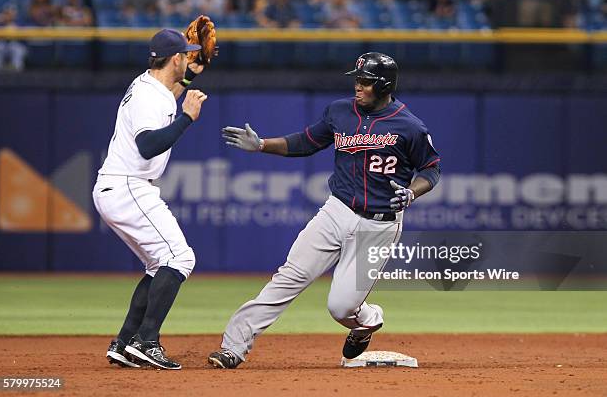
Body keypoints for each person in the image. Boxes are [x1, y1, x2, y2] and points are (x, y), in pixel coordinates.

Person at [208, 52, 441, 369]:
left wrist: (411, 193)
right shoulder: (340, 111)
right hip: (337, 210)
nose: (358, 86)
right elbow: (306, 141)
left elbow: (430, 170)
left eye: (365, 81)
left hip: (379, 225)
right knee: (290, 276)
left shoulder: (409, 126)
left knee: (340, 308)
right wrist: (263, 144)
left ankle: (368, 320)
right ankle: (234, 345)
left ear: (384, 85)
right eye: (357, 80)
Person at [94, 29, 207, 370]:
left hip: (121, 186)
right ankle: (147, 341)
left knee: (160, 264)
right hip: (128, 185)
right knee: (180, 258)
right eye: (185, 55)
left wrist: (190, 77)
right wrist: (188, 117)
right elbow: (147, 146)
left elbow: (168, 95)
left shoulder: (150, 85)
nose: (188, 58)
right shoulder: (147, 96)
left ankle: (126, 341)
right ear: (174, 58)